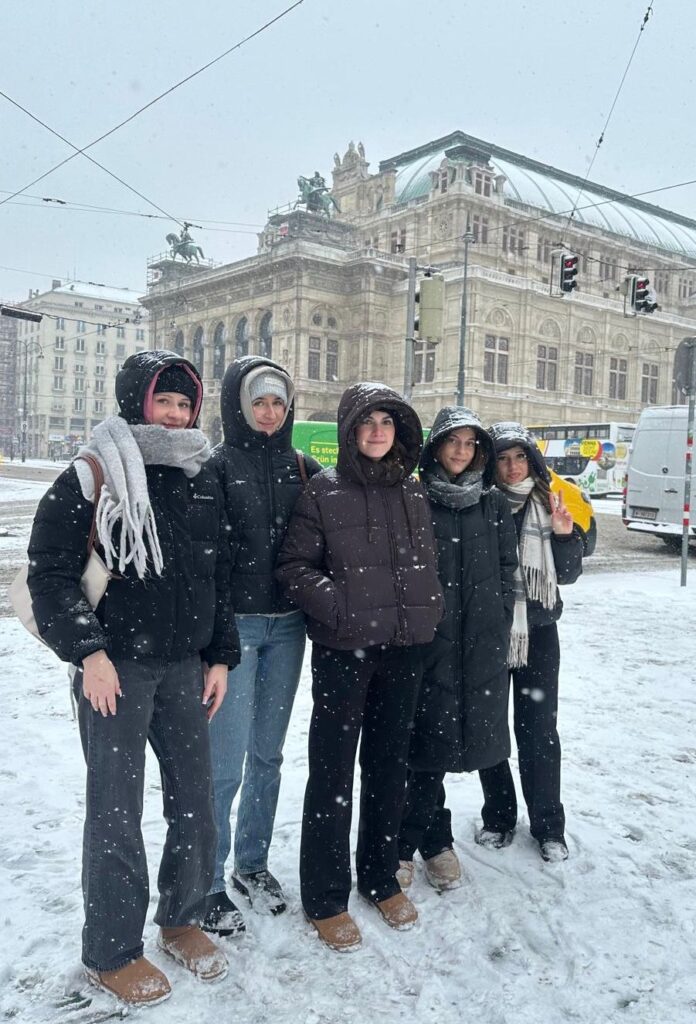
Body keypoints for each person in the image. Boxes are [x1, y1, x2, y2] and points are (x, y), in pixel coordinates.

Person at [26, 351, 240, 1007]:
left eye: (184, 404)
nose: (175, 415)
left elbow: (215, 575)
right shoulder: (95, 471)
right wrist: (88, 652)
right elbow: (49, 572)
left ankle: (180, 916)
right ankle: (112, 952)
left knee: (195, 802)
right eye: (164, 402)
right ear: (136, 402)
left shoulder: (201, 475)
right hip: (113, 668)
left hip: (183, 666)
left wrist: (221, 656)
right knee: (117, 813)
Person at [276, 383, 444, 952]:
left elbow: (426, 562)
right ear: (350, 431)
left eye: (387, 423)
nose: (377, 432)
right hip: (345, 651)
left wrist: (428, 607)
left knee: (389, 766)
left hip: (405, 649)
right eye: (368, 422)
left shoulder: (413, 491)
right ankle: (324, 896)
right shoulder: (323, 491)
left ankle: (378, 876)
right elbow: (295, 567)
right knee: (332, 773)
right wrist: (343, 611)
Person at [203, 356, 321, 933]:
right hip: (239, 631)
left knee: (268, 755)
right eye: (259, 402)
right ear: (240, 407)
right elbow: (207, 561)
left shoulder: (303, 467)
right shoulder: (216, 466)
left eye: (278, 402)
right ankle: (206, 879)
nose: (270, 413)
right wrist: (216, 638)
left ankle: (251, 863)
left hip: (289, 628)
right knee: (224, 763)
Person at [397, 407, 518, 891]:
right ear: (437, 446)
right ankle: (421, 843)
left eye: (470, 444)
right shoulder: (416, 497)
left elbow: (508, 568)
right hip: (428, 642)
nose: (461, 452)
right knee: (425, 749)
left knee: (455, 742)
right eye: (454, 442)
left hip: (480, 645)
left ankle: (429, 841)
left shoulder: (491, 504)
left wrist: (499, 618)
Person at [476, 421, 583, 862]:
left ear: (532, 461)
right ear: (492, 464)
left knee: (539, 732)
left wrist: (562, 535)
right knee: (491, 729)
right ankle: (499, 817)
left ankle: (548, 825)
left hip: (538, 634)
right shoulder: (480, 504)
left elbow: (570, 574)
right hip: (489, 633)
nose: (513, 466)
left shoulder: (548, 503)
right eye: (503, 458)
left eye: (520, 457)